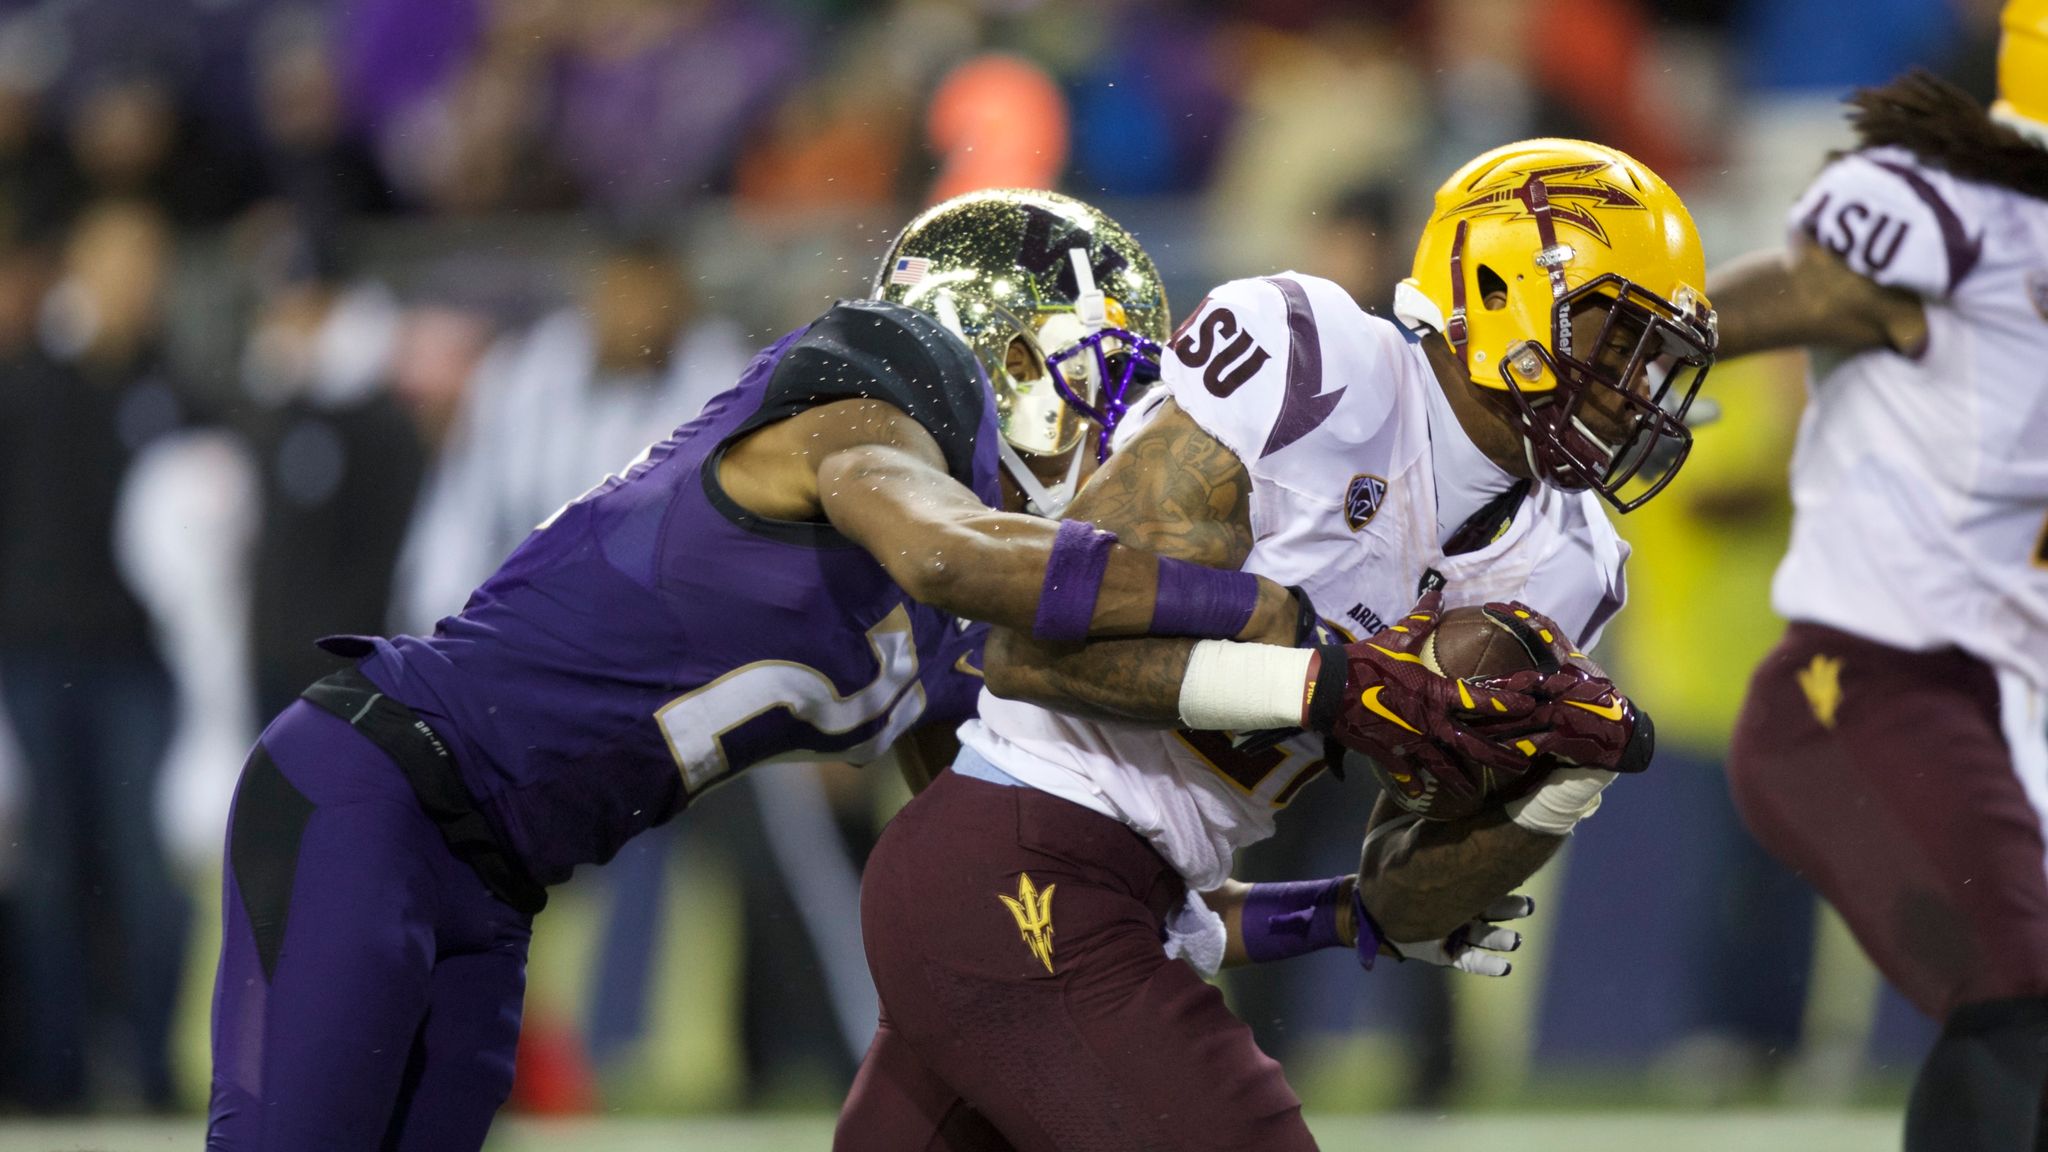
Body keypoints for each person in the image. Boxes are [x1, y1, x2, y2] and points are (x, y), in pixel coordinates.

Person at [205, 188, 1318, 1151]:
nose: (1113, 430)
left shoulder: (966, 610)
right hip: (372, 786)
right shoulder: (880, 379)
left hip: (495, 884)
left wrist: (1337, 914)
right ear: (1012, 345)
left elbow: (1036, 871)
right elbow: (943, 550)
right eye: (1101, 380)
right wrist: (1263, 610)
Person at [837, 137, 1717, 1151]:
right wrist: (1326, 685)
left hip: (1129, 898)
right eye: (1610, 339)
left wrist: (1556, 783)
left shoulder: (1571, 561)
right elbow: (1030, 650)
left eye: (1651, 360)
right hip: (1020, 851)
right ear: (1496, 284)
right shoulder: (1315, 361)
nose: (1630, 386)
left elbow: (1399, 905)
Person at [1710, 24, 2048, 1150]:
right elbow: (1805, 290)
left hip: (2008, 705)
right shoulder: (1960, 214)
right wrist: (1626, 343)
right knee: (2022, 996)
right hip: (1866, 685)